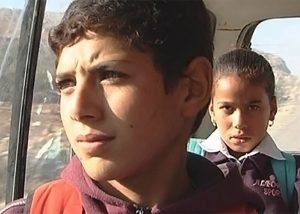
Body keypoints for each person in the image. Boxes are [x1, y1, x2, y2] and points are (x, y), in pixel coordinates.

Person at [1, 1, 264, 213]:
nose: (78, 109)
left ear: (192, 88)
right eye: (66, 83)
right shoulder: (37, 209)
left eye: (110, 75)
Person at [188, 48, 300, 213]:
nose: (239, 122)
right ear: (211, 109)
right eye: (227, 108)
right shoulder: (185, 159)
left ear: (272, 109)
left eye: (253, 107)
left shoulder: (292, 175)